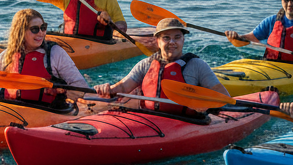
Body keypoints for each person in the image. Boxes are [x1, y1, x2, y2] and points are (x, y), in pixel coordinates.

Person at [0, 8, 88, 106]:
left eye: (43, 27)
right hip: (11, 109)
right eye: (34, 29)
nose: (41, 33)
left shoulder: (55, 54)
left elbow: (80, 86)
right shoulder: (8, 55)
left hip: (47, 111)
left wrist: (63, 92)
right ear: (20, 32)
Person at [94, 17, 228, 116]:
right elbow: (123, 87)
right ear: (157, 41)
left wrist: (205, 104)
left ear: (183, 40)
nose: (172, 42)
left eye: (177, 37)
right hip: (150, 119)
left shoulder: (197, 65)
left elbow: (222, 96)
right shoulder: (145, 65)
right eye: (166, 38)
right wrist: (106, 89)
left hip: (186, 121)